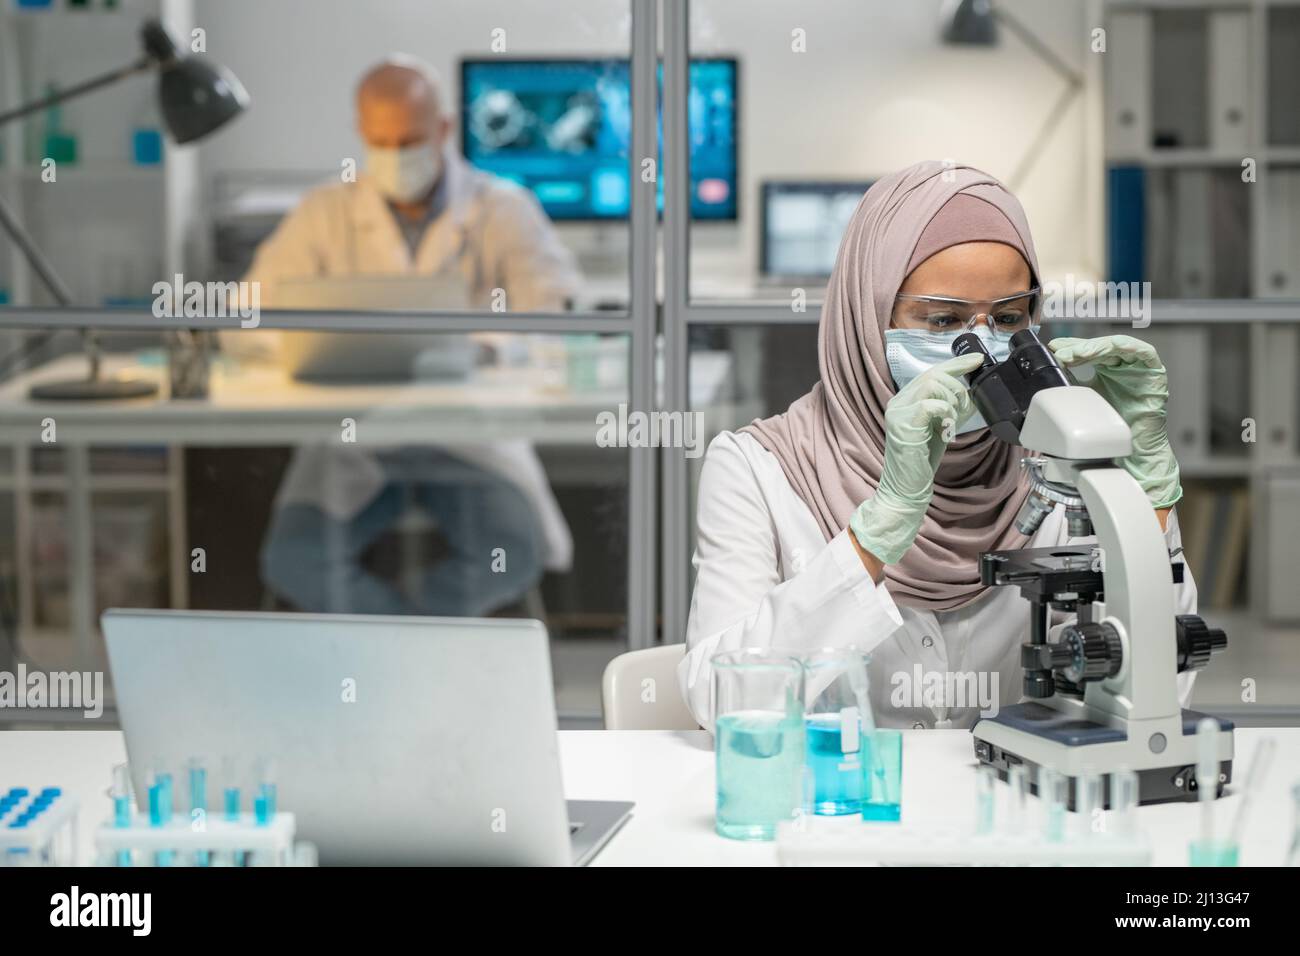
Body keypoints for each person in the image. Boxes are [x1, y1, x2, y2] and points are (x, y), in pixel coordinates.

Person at [678, 160, 1195, 731]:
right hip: (840, 806)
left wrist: (1146, 499)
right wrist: (873, 536)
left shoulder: (1060, 469)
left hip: (1018, 802)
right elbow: (721, 702)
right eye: (942, 321)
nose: (980, 352)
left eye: (1008, 319)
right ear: (867, 317)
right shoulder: (758, 469)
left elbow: (1160, 686)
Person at [241, 56, 579, 616]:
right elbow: (248, 311)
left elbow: (557, 316)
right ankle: (404, 662)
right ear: (362, 135)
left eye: (411, 139)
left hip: (470, 434)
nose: (397, 157)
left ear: (444, 128)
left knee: (511, 553)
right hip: (355, 437)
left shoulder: (501, 208)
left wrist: (484, 348)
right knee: (296, 561)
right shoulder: (325, 211)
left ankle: (408, 654)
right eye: (382, 142)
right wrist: (303, 347)